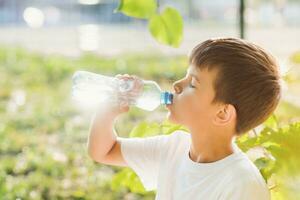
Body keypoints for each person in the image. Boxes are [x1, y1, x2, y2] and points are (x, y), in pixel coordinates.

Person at [87, 38, 281, 200]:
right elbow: (104, 151)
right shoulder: (173, 148)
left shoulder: (242, 185)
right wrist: (108, 110)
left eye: (193, 84)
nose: (178, 85)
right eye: (185, 76)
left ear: (222, 114)